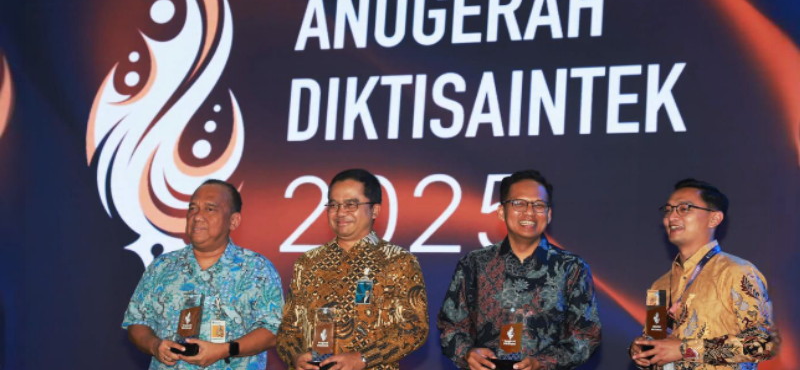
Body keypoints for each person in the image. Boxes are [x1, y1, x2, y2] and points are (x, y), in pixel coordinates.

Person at [438, 169, 601, 370]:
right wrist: (467, 353)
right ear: (501, 211)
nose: (529, 212)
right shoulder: (473, 264)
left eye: (538, 205)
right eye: (519, 203)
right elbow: (450, 326)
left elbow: (587, 335)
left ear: (549, 214)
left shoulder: (571, 267)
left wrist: (543, 362)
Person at [122, 179, 284, 369]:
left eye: (210, 209)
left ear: (233, 221)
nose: (197, 216)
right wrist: (155, 345)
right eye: (193, 208)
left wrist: (225, 350)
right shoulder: (162, 267)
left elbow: (275, 330)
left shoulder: (257, 268)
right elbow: (137, 322)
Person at [277, 169, 429, 370]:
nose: (340, 212)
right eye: (333, 205)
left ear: (375, 210)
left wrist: (363, 358)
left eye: (350, 205)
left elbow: (414, 329)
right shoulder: (307, 263)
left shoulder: (397, 261)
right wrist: (296, 357)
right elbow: (287, 331)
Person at [629, 178, 779, 369]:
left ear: (714, 218)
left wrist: (685, 350)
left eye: (684, 208)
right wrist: (643, 351)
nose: (671, 217)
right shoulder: (659, 286)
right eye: (668, 210)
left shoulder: (736, 272)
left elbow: (764, 343)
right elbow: (655, 336)